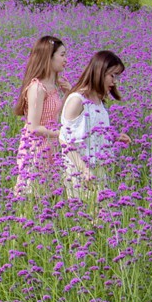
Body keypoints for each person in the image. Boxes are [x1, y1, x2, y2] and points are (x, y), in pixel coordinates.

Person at [59, 49, 124, 203]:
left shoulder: (99, 102)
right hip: (80, 174)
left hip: (99, 170)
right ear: (99, 72)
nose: (114, 82)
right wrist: (84, 170)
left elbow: (90, 134)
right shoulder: (77, 100)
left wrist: (114, 138)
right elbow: (65, 140)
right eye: (112, 75)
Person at [12, 35, 67, 198]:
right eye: (62, 55)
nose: (66, 59)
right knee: (33, 196)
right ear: (48, 57)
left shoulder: (53, 86)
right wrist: (61, 134)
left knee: (51, 196)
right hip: (36, 150)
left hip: (50, 146)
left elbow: (55, 114)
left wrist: (69, 93)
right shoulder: (37, 88)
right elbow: (33, 127)